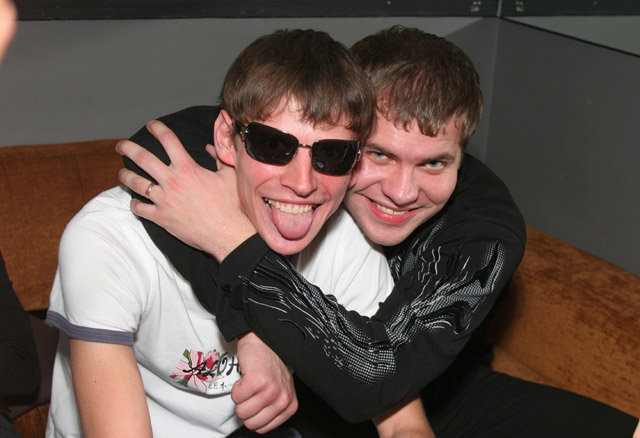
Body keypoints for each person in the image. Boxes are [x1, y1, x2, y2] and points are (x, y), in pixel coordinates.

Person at [119, 25, 640, 437]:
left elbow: (378, 377)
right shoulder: (293, 151)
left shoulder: (482, 230)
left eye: (435, 163)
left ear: (461, 157)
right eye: (380, 154)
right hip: (299, 401)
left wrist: (235, 251)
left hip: (432, 389)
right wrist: (250, 331)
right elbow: (154, 150)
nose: (402, 191)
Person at [45, 29, 432, 438]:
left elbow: (404, 423)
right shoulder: (111, 237)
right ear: (226, 139)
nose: (303, 183)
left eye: (332, 153)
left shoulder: (342, 241)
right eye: (273, 146)